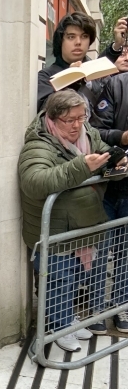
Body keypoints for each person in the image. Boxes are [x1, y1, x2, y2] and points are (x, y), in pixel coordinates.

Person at [19, 89, 117, 351]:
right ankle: (58, 327)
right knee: (57, 279)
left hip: (78, 227)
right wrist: (83, 167)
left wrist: (116, 164)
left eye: (81, 117)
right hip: (54, 230)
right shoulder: (39, 143)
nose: (77, 125)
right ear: (53, 118)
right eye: (70, 120)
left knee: (72, 278)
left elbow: (103, 152)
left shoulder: (87, 133)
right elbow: (34, 181)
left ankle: (67, 320)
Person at [91, 69, 128, 332]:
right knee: (99, 249)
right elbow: (95, 131)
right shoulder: (115, 84)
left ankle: (120, 305)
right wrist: (121, 138)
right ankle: (96, 307)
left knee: (126, 251)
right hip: (107, 186)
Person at [37, 14, 127, 113]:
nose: (78, 42)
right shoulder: (46, 77)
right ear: (61, 41)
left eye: (84, 36)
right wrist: (69, 80)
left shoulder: (95, 74)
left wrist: (117, 44)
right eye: (71, 37)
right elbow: (46, 112)